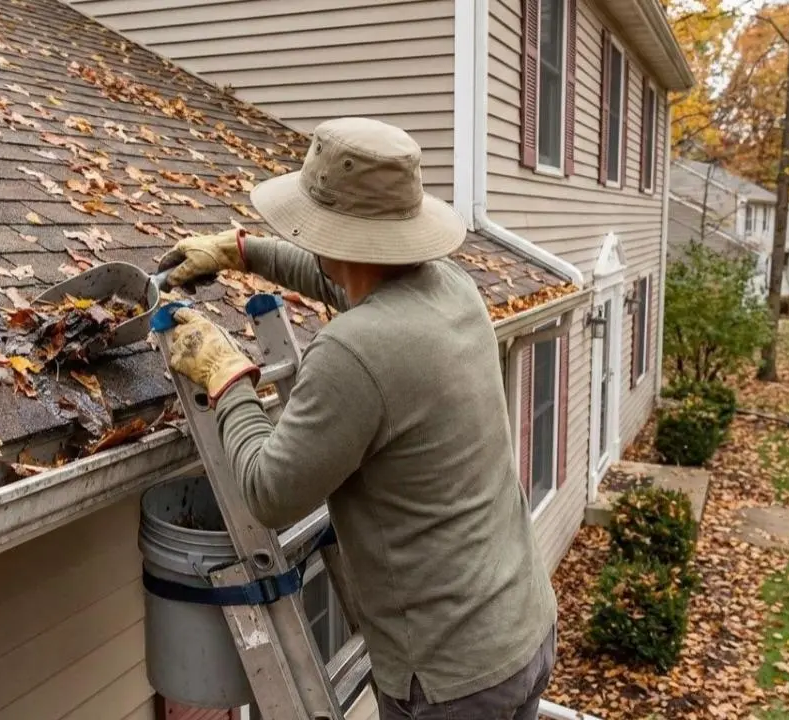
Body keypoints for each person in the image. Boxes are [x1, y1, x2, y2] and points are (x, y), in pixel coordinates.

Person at [157, 117, 558, 719]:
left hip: (450, 680)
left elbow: (268, 492)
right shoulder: (452, 288)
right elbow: (345, 278)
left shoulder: (355, 351)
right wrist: (244, 251)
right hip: (520, 630)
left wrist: (225, 376)